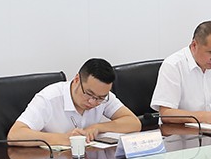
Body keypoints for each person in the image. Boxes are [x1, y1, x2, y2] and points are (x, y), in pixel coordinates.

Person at [8, 58, 141, 147]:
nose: (93, 102)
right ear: (77, 79)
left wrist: (97, 127)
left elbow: (134, 123)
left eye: (100, 98)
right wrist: (64, 139)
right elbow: (15, 135)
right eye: (88, 94)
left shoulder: (103, 96)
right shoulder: (49, 98)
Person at [151, 21, 211, 126]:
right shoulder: (173, 66)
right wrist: (203, 117)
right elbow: (166, 114)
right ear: (194, 45)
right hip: (179, 132)